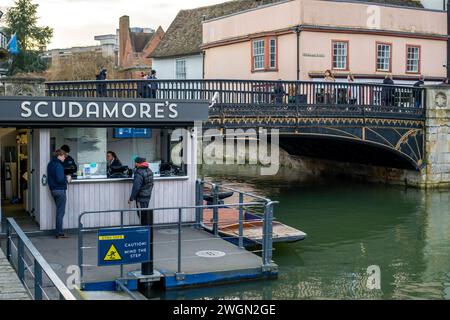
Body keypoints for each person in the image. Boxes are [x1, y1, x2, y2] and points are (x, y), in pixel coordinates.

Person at [47, 149, 71, 238]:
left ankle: (59, 232)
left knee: (59, 211)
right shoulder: (58, 165)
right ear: (60, 155)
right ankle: (59, 233)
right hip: (60, 190)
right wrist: (67, 179)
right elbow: (60, 179)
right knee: (60, 212)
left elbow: (54, 177)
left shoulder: (50, 164)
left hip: (53, 190)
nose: (65, 158)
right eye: (64, 156)